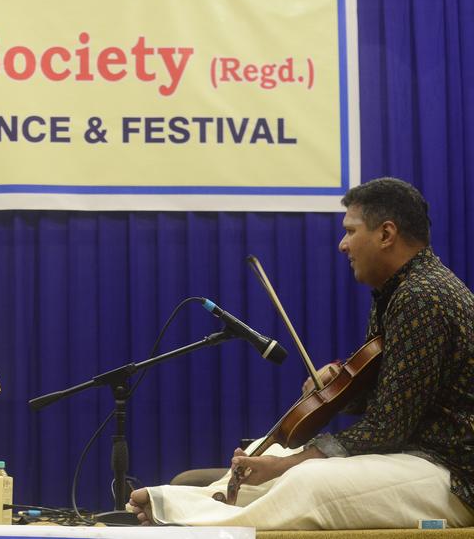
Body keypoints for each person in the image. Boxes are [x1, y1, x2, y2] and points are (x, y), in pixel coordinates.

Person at [128, 177, 474, 529]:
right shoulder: (397, 291)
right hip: (411, 458)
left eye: (350, 231)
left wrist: (289, 465)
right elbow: (394, 399)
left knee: (306, 480)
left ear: (386, 234)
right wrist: (337, 391)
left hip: (452, 474)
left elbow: (388, 428)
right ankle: (184, 506)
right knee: (268, 451)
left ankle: (180, 517)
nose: (342, 245)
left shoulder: (423, 296)